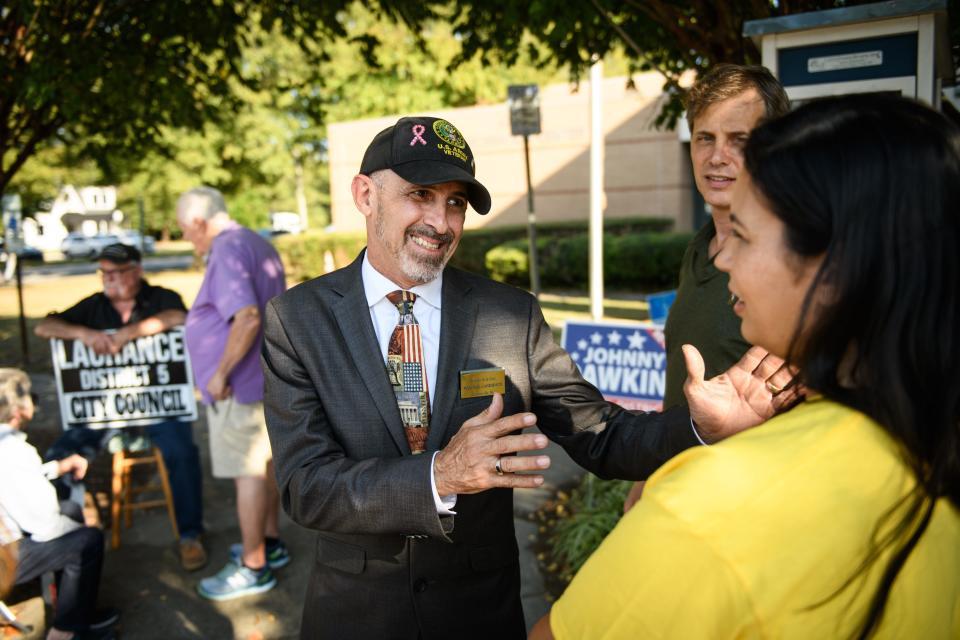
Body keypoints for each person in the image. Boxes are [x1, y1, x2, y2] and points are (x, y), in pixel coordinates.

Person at [261, 116, 794, 638]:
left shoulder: (510, 314)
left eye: (455, 203)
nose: (441, 223)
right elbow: (306, 486)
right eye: (420, 195)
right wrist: (440, 476)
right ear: (365, 195)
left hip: (478, 616)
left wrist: (700, 427)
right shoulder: (298, 319)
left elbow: (600, 434)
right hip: (356, 617)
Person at [532, 94, 960, 639]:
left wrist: (713, 479)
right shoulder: (927, 446)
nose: (725, 256)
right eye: (705, 138)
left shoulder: (709, 509)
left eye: (746, 236)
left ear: (835, 272)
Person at [624, 64, 792, 511]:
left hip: (749, 509)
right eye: (705, 138)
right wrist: (648, 475)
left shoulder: (795, 263)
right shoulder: (698, 248)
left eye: (739, 140)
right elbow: (685, 383)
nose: (718, 157)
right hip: (680, 494)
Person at [34, 243, 207, 571]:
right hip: (105, 412)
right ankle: (65, 534)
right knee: (61, 453)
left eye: (117, 272)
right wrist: (82, 333)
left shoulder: (160, 297)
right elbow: (45, 327)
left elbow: (178, 317)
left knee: (182, 453)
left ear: (137, 270)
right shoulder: (93, 307)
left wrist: (130, 333)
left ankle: (190, 535)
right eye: (105, 272)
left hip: (159, 408)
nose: (109, 279)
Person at [175, 186, 289, 601]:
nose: (189, 240)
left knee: (249, 473)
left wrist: (220, 373)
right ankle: (270, 544)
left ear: (199, 223)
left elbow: (247, 317)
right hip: (266, 379)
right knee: (266, 465)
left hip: (240, 387)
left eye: (186, 231)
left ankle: (253, 564)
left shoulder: (225, 249)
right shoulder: (256, 241)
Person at [0, 369, 120, 640]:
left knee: (70, 512)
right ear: (20, 409)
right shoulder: (13, 450)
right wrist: (79, 525)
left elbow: (12, 480)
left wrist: (57, 467)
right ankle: (65, 631)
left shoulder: (5, 444)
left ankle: (76, 612)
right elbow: (45, 526)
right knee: (87, 540)